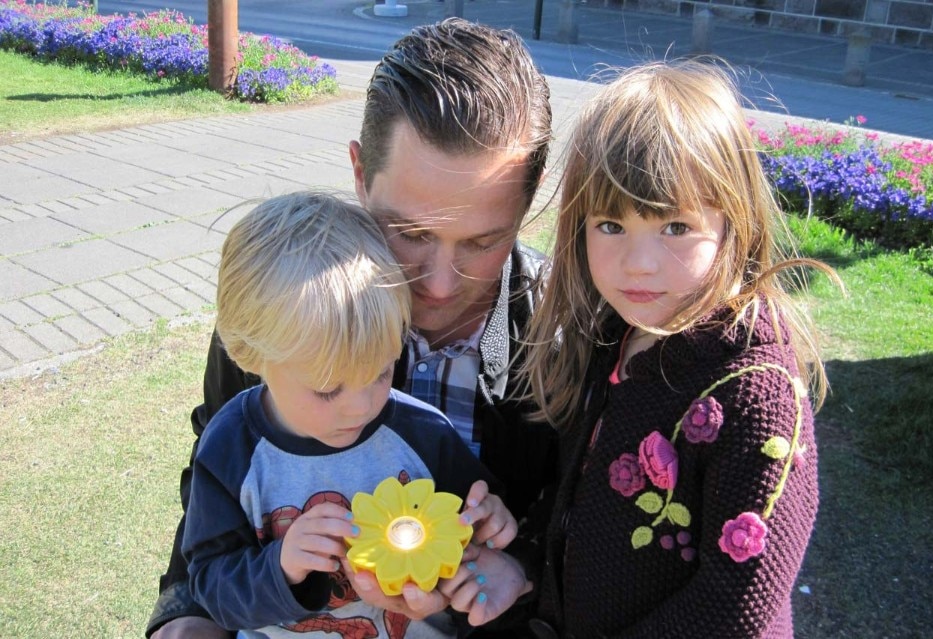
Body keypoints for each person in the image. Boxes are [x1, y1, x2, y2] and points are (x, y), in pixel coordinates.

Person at [147, 18, 556, 639]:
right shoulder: (288, 309)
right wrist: (184, 617)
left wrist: (515, 560)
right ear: (360, 174)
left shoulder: (568, 335)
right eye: (410, 233)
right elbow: (218, 493)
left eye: (482, 242)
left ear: (527, 204)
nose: (438, 284)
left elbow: (579, 524)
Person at [520, 61, 840, 638]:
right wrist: (519, 566)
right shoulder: (611, 336)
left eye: (674, 228)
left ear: (735, 221)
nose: (638, 263)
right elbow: (574, 504)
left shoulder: (757, 397)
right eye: (610, 225)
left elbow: (736, 606)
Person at [183, 191, 516, 638]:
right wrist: (280, 567)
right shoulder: (231, 448)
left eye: (381, 372)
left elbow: (468, 527)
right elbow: (210, 585)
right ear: (253, 354)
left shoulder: (423, 433)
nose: (361, 407)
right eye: (327, 389)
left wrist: (488, 523)